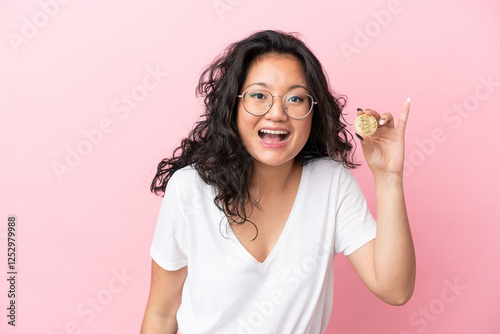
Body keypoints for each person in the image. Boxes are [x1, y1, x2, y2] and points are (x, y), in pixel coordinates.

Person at [140, 30, 416, 334]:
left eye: (295, 98)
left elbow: (395, 289)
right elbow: (162, 314)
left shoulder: (331, 184)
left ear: (314, 111)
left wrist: (389, 178)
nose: (276, 113)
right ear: (233, 105)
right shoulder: (190, 188)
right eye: (259, 96)